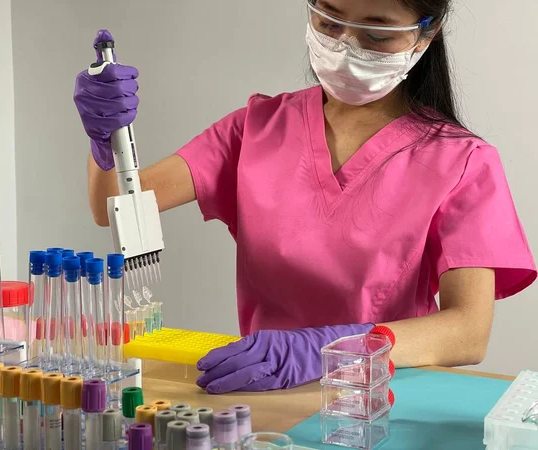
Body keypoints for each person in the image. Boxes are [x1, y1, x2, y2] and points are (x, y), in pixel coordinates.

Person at [74, 0, 536, 395]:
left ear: (426, 32)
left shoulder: (462, 160)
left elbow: (468, 333)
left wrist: (329, 350)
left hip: (381, 399)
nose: (347, 46)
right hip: (261, 395)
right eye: (330, 22)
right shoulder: (255, 129)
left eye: (376, 34)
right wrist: (105, 140)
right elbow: (112, 205)